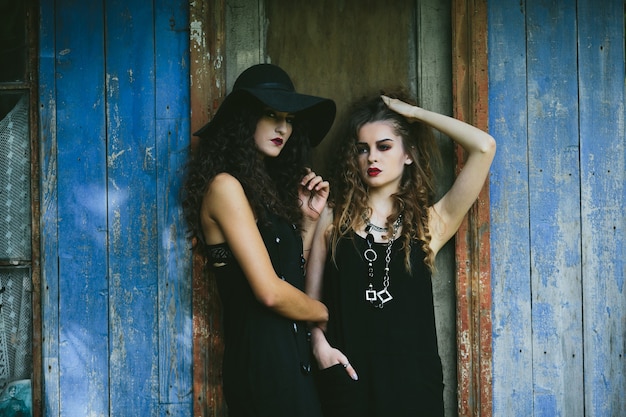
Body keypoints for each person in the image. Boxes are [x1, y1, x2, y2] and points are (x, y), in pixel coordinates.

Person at [306, 89, 496, 417]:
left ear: (408, 153)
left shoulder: (429, 224)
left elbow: (484, 147)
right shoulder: (332, 216)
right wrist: (319, 347)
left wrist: (415, 115)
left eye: (384, 146)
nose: (372, 158)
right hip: (349, 385)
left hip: (413, 390)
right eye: (362, 149)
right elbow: (310, 305)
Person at [183, 63, 336, 417]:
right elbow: (270, 292)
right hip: (262, 368)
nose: (283, 127)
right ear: (244, 120)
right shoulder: (225, 187)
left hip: (292, 362)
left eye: (289, 119)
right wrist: (325, 314)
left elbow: (291, 278)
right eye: (271, 114)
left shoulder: (263, 194)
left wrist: (307, 222)